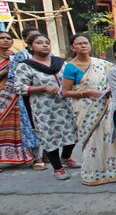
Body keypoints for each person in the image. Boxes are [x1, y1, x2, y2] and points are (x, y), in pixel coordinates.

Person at [62, 33, 116, 185]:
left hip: (105, 106)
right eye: (79, 43)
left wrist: (109, 88)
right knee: (92, 141)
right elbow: (65, 92)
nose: (83, 45)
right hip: (85, 109)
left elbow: (115, 78)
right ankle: (94, 174)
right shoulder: (70, 67)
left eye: (86, 42)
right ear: (73, 47)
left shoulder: (102, 64)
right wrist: (88, 92)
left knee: (109, 137)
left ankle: (113, 170)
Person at [13, 33, 78, 180]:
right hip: (43, 108)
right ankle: (58, 168)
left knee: (74, 132)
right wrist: (42, 88)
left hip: (66, 104)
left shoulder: (61, 63)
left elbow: (72, 79)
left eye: (47, 42)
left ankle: (66, 157)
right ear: (30, 46)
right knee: (50, 136)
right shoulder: (25, 65)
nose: (45, 45)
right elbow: (19, 87)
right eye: (39, 43)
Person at [0, 31, 35, 171]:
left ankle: (18, 157)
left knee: (16, 127)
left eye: (8, 38)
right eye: (2, 38)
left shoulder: (15, 57)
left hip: (14, 97)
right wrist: (5, 71)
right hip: (3, 96)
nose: (6, 40)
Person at [12, 27, 45, 171]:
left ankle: (49, 155)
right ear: (27, 41)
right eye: (34, 38)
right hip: (28, 97)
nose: (41, 43)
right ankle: (36, 157)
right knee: (32, 127)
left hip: (45, 97)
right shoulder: (21, 56)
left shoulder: (48, 57)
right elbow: (15, 78)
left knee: (45, 125)